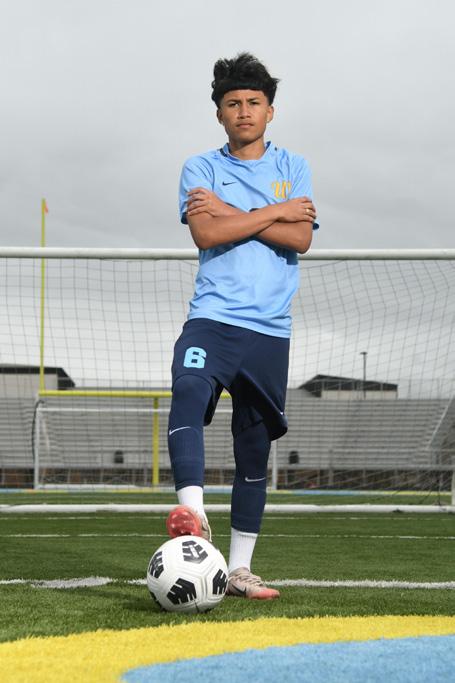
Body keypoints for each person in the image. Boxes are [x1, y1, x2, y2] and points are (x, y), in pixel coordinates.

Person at [166, 52, 318, 599]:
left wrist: (230, 212)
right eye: (233, 103)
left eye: (254, 102)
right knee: (188, 388)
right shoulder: (200, 168)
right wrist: (275, 212)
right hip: (213, 317)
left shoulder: (294, 166)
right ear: (220, 113)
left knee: (254, 447)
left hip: (270, 329)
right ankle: (192, 515)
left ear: (270, 111)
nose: (244, 110)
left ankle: (239, 570)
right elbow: (206, 235)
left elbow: (301, 239)